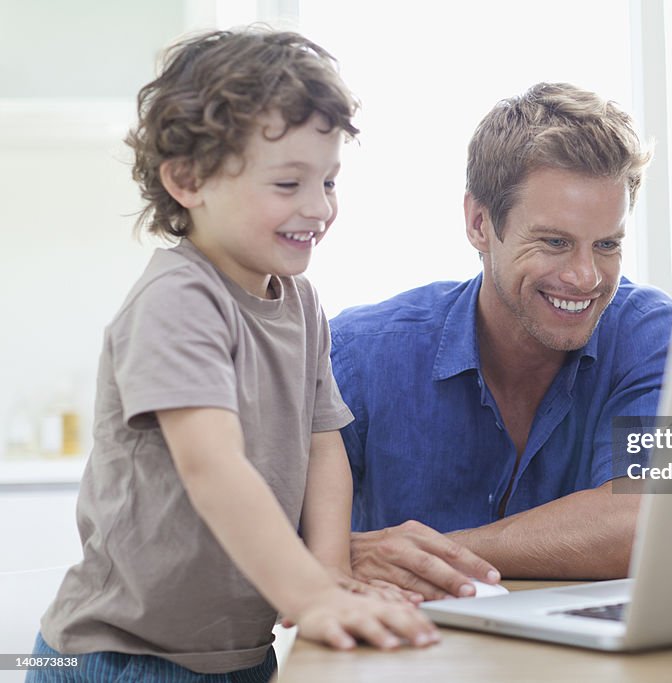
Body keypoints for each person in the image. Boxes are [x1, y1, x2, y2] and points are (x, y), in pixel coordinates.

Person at [29, 28, 438, 683]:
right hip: (121, 658)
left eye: (328, 180)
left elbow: (324, 443)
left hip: (238, 655)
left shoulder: (302, 303)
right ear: (188, 180)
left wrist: (329, 576)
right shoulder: (178, 299)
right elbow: (214, 466)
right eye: (287, 182)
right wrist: (310, 594)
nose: (318, 206)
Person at [329, 82, 672, 601]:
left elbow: (650, 519)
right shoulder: (358, 355)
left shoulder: (651, 333)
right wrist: (340, 554)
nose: (585, 277)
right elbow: (267, 537)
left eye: (607, 245)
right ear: (478, 224)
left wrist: (426, 555)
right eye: (555, 242)